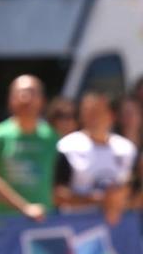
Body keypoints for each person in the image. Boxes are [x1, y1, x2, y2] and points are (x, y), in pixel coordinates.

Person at [54, 91, 138, 225]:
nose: (92, 118)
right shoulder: (67, 147)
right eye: (87, 112)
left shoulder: (127, 149)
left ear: (111, 115)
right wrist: (98, 201)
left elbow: (134, 192)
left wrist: (120, 202)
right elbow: (56, 194)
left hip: (120, 228)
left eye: (98, 112)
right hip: (77, 227)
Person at [0, 75, 59, 216]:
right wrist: (24, 207)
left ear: (42, 101)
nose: (25, 97)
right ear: (10, 100)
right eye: (19, 93)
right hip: (6, 224)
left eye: (32, 92)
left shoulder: (52, 138)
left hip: (44, 221)